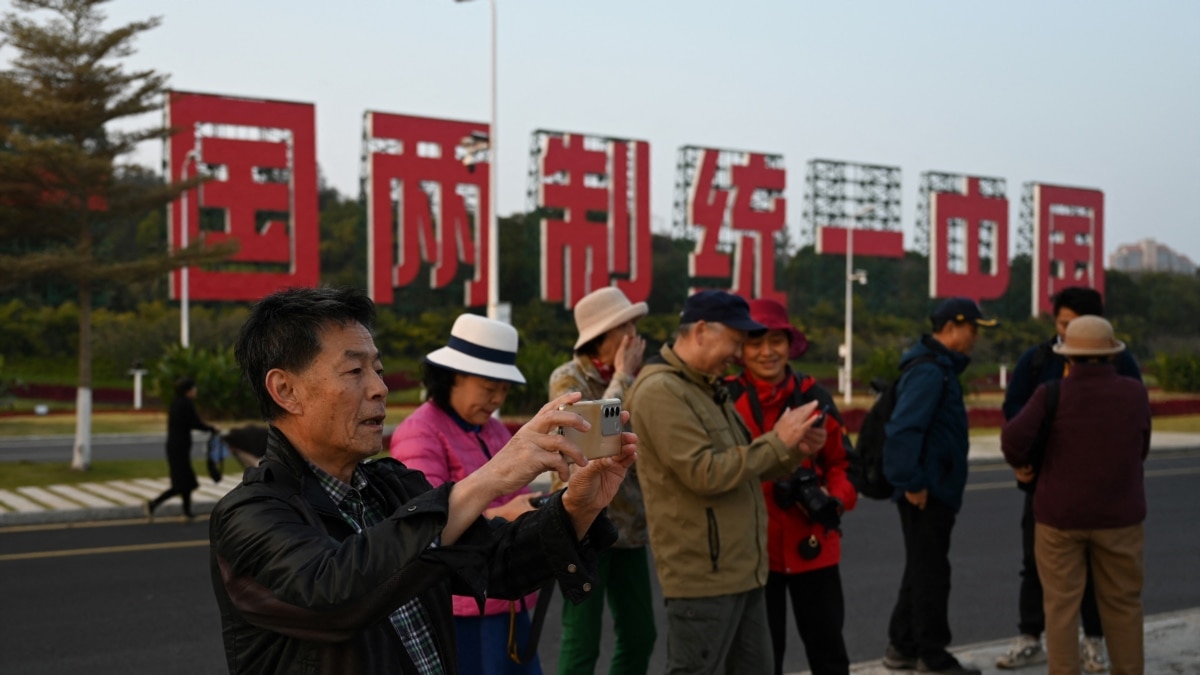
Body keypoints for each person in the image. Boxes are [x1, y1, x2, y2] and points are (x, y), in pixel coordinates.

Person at [208, 286, 637, 675]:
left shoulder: (392, 487)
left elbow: (495, 561)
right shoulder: (248, 515)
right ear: (286, 390)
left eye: (377, 370)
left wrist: (577, 507)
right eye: (355, 372)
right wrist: (488, 479)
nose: (379, 388)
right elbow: (337, 594)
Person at [625, 289, 827, 675]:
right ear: (701, 331)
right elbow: (706, 472)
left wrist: (794, 449)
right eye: (735, 341)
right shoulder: (661, 391)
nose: (738, 354)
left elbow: (744, 466)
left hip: (743, 569)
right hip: (703, 577)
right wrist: (776, 440)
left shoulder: (704, 388)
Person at [996, 287, 1142, 672]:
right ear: (1112, 352)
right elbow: (1140, 446)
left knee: (1060, 605)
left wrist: (1022, 462)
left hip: (1058, 511)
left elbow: (1012, 436)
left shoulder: (1051, 391)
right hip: (1120, 514)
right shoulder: (1134, 391)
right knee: (1124, 604)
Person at [390, 313, 545, 675]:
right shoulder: (420, 432)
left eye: (504, 390)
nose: (497, 399)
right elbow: (426, 525)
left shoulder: (491, 429)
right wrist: (504, 517)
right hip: (462, 606)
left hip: (506, 596)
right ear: (454, 377)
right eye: (490, 388)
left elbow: (519, 491)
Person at [724, 298, 857, 675]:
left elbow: (844, 463)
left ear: (789, 344)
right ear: (742, 349)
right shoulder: (727, 398)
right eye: (756, 342)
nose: (767, 352)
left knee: (829, 652)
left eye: (776, 341)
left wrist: (835, 498)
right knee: (764, 659)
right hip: (754, 552)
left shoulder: (815, 396)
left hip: (814, 545)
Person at [881, 297, 997, 675]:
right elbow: (902, 429)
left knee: (921, 568)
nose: (976, 336)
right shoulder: (931, 372)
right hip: (925, 491)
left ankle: (902, 645)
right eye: (972, 328)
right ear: (951, 327)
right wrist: (912, 481)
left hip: (933, 488)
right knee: (932, 574)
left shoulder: (939, 368)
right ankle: (932, 657)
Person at [548, 287, 655, 675]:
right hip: (583, 527)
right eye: (627, 326)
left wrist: (628, 377)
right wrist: (624, 377)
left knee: (641, 634)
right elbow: (595, 439)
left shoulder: (639, 379)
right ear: (606, 334)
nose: (635, 336)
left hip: (630, 526)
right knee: (582, 642)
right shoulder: (567, 379)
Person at [146, 376, 216, 520]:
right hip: (179, 448)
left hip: (176, 447)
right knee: (181, 483)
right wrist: (211, 428)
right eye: (194, 388)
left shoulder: (176, 403)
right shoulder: (185, 404)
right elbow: (194, 423)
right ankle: (153, 504)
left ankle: (187, 512)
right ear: (188, 390)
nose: (196, 391)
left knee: (187, 482)